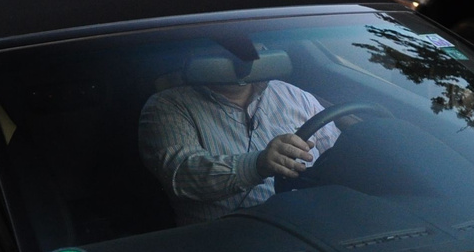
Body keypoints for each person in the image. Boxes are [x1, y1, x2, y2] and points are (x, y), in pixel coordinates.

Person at [139, 75, 339, 225]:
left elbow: (338, 155)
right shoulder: (167, 106)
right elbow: (182, 176)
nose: (242, 55)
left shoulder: (294, 95)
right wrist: (256, 165)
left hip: (315, 226)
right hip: (226, 245)